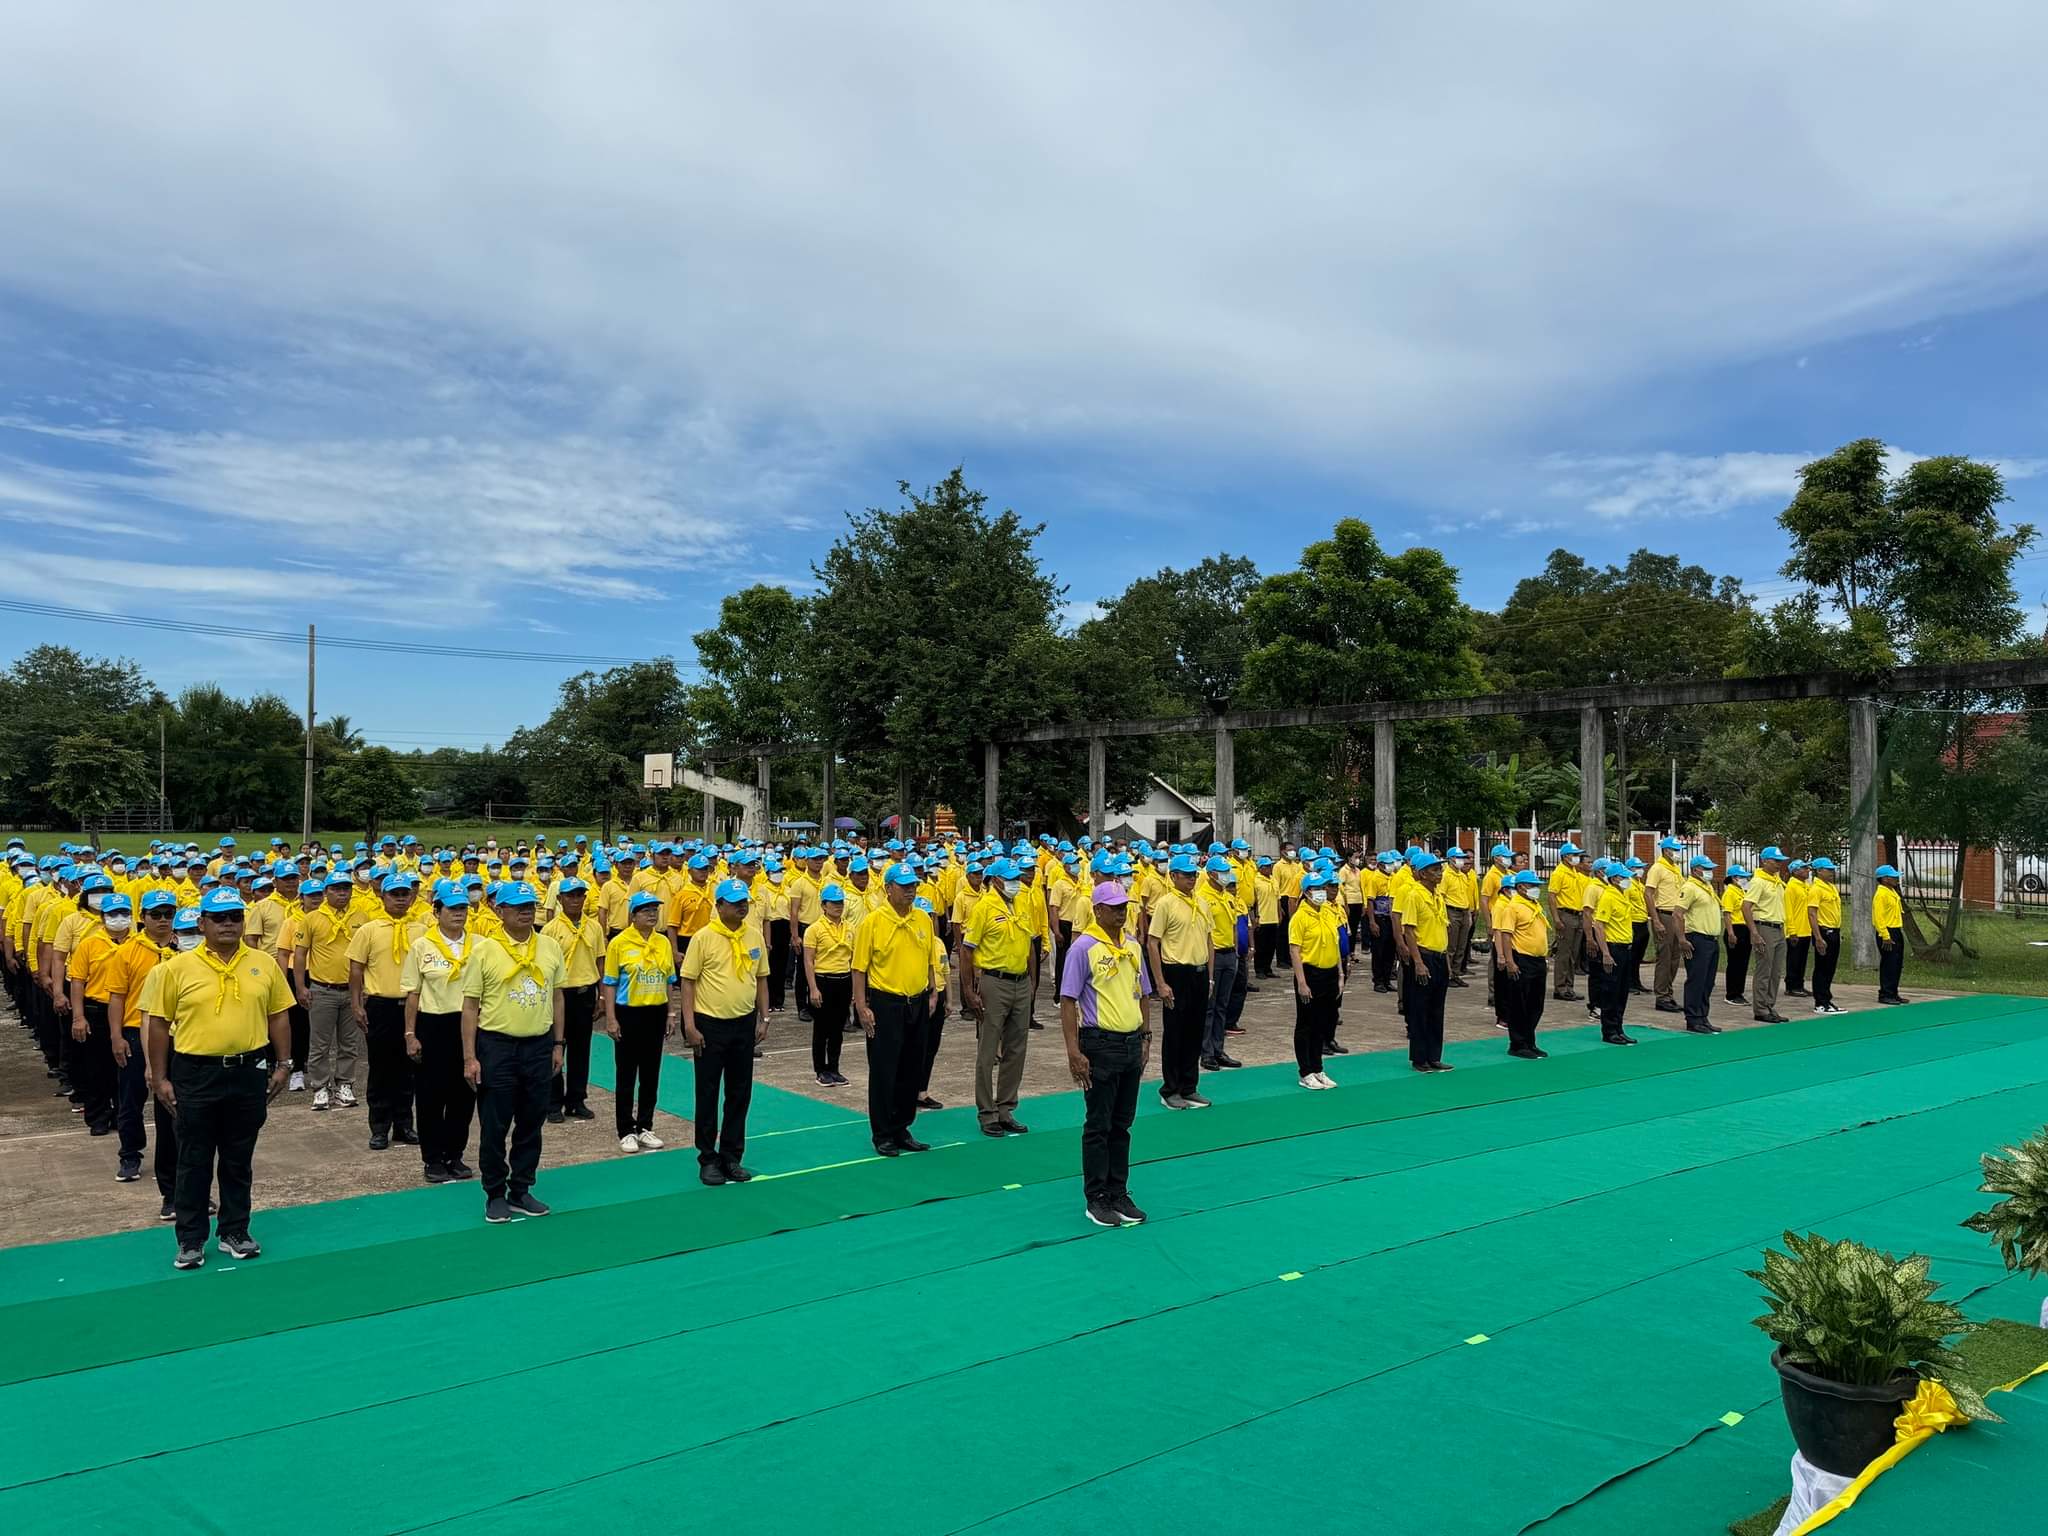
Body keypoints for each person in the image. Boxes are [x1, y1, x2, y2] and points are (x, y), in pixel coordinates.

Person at [142, 887, 292, 1270]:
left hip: (247, 1070)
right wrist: (159, 1077)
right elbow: (158, 1024)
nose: (228, 924)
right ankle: (191, 1239)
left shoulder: (263, 963)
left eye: (235, 917)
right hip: (195, 1072)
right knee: (193, 1158)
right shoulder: (175, 969)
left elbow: (278, 1015)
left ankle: (235, 1231)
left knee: (238, 1157)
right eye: (219, 917)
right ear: (202, 923)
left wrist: (284, 1063)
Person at [460, 881, 565, 1224]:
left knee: (532, 1121)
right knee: (495, 1124)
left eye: (530, 906)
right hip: (497, 1046)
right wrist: (470, 1057)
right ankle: (494, 1193)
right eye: (518, 906)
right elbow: (470, 1006)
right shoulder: (485, 950)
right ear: (499, 910)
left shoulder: (549, 946)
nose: (525, 912)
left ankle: (521, 1188)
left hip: (539, 1044)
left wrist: (558, 1044)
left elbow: (557, 996)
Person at [1060, 881, 1154, 1228]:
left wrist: (1145, 1037)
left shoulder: (1132, 945)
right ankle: (1096, 1196)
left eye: (1123, 906)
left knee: (1122, 1123)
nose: (1120, 912)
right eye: (1113, 907)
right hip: (1099, 1043)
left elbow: (1144, 993)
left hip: (1130, 1043)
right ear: (1097, 910)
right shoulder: (1083, 948)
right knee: (1099, 1124)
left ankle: (1118, 1190)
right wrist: (1074, 1050)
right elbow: (1068, 1000)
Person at [680, 878, 768, 1184]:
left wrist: (764, 1018)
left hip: (743, 1023)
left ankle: (731, 1155)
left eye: (744, 902)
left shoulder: (753, 935)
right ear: (719, 906)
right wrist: (689, 1025)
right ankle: (708, 1157)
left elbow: (761, 978)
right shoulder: (703, 938)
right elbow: (688, 982)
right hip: (710, 1025)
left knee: (739, 1092)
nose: (742, 907)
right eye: (735, 902)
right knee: (707, 1093)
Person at [852, 864, 939, 1156]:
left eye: (913, 885)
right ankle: (883, 1132)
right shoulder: (873, 922)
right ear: (888, 888)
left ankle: (902, 1126)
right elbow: (859, 968)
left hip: (917, 1000)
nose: (910, 890)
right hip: (886, 1003)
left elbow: (929, 958)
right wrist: (862, 1006)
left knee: (912, 1067)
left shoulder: (922, 918)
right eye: (904, 885)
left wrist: (933, 990)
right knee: (884, 1069)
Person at [400, 880, 477, 1184]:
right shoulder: (422, 946)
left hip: (469, 1024)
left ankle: (454, 1154)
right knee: (431, 1096)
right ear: (437, 911)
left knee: (464, 1094)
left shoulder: (480, 944)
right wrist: (410, 1034)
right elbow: (413, 993)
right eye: (452, 908)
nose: (459, 914)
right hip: (433, 1024)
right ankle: (432, 1158)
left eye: (463, 908)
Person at [100, 889, 178, 1185]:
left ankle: (173, 1158)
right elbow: (117, 997)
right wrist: (116, 1036)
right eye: (155, 914)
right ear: (143, 917)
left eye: (168, 914)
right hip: (135, 1032)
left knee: (173, 1099)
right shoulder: (127, 952)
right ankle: (130, 1154)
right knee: (132, 1097)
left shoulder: (184, 948)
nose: (162, 920)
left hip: (177, 1032)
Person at [960, 856, 1035, 1138]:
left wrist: (1032, 980)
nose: (1017, 883)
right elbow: (967, 950)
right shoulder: (984, 907)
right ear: (997, 881)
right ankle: (987, 1112)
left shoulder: (1022, 903)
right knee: (988, 1049)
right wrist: (969, 991)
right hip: (994, 981)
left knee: (1016, 1048)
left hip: (1020, 981)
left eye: (1018, 878)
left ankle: (1006, 1108)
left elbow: (1029, 943)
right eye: (1011, 879)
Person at [349, 873, 423, 1151]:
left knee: (408, 1067)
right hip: (381, 1004)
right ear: (383, 897)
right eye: (395, 894)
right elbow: (356, 969)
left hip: (412, 1005)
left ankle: (404, 1124)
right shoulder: (369, 930)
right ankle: (379, 1127)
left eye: (405, 894)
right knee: (381, 1068)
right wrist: (356, 1004)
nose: (400, 899)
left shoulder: (421, 929)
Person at [602, 891, 679, 1154]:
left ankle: (645, 1125)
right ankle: (626, 1129)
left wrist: (670, 1013)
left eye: (655, 910)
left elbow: (669, 980)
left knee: (650, 1074)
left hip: (655, 1012)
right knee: (626, 1074)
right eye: (646, 910)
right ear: (633, 915)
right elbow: (610, 983)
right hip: (628, 1013)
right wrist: (611, 1018)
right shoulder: (619, 943)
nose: (652, 914)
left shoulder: (662, 942)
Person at [1144, 852, 1212, 1110]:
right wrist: (1160, 982)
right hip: (1176, 972)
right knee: (1175, 1033)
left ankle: (1189, 1086)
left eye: (1194, 875)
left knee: (1195, 1032)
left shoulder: (1202, 902)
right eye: (1186, 875)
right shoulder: (1166, 903)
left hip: (1199, 972)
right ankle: (1170, 1089)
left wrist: (1210, 977)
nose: (1191, 879)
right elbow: (1153, 942)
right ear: (1173, 876)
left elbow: (1209, 940)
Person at [295, 872, 363, 1111]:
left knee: (349, 1043)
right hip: (322, 989)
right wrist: (301, 986)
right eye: (336, 889)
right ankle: (320, 1087)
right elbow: (300, 953)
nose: (342, 893)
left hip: (351, 990)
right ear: (326, 892)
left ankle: (345, 1084)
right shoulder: (311, 918)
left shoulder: (361, 916)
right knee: (320, 1044)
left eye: (346, 888)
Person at [543, 877, 605, 1122]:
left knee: (581, 1050)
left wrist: (601, 995)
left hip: (585, 993)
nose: (575, 900)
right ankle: (553, 1103)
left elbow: (600, 961)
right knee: (556, 1046)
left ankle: (576, 1100)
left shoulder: (594, 927)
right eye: (570, 895)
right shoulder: (550, 930)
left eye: (579, 895)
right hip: (560, 994)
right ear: (560, 899)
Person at [1287, 870, 1345, 1088]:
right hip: (1310, 973)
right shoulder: (1300, 917)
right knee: (1306, 1024)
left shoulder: (1328, 912)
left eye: (1322, 887)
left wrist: (1340, 974)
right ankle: (1306, 1071)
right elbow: (1295, 951)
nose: (1321, 892)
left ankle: (1318, 1068)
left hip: (1330, 973)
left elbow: (1335, 944)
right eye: (1315, 889)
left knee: (1323, 1022)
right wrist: (1302, 982)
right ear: (1306, 892)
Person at [1396, 851, 1452, 1071]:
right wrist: (1417, 962)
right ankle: (1420, 1058)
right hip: (1424, 955)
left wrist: (1446, 960)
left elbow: (1442, 929)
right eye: (1434, 869)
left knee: (1437, 1009)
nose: (1440, 873)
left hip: (1439, 956)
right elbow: (1409, 931)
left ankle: (1434, 1056)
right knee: (1421, 1009)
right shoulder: (1414, 895)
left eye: (1440, 869)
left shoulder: (1437, 895)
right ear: (1422, 873)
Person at [1493, 871, 1549, 1058]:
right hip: (1522, 959)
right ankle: (1517, 1044)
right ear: (1521, 887)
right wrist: (1509, 961)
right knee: (1520, 1004)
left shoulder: (1534, 905)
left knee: (1536, 1004)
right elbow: (1506, 935)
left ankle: (1529, 1041)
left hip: (1537, 960)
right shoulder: (1513, 907)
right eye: (1532, 886)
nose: (1536, 889)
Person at [804, 883, 854, 1085]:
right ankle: (820, 1070)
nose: (838, 906)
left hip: (844, 980)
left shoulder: (850, 928)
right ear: (823, 905)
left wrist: (854, 989)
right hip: (823, 980)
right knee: (821, 1028)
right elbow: (809, 960)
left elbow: (853, 958)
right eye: (833, 903)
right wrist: (813, 988)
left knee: (837, 1028)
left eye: (840, 902)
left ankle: (834, 1067)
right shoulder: (814, 929)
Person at [1586, 863, 1638, 1045]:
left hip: (1625, 948)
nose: (1628, 880)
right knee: (1611, 991)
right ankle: (1609, 1030)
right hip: (1613, 947)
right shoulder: (1608, 896)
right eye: (1624, 877)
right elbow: (1599, 925)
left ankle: (1618, 1027)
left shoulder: (1622, 895)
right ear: (1615, 879)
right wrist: (1606, 953)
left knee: (1622, 991)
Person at [1675, 855, 1724, 1035]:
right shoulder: (1689, 888)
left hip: (1711, 939)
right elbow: (1677, 914)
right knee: (1696, 980)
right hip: (1697, 938)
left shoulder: (1707, 886)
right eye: (1706, 868)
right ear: (1695, 869)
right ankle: (1693, 1018)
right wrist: (1682, 939)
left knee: (1708, 981)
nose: (1710, 872)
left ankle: (1703, 1016)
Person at [1742, 847, 1791, 1024]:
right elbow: (1746, 907)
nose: (1779, 864)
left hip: (1778, 927)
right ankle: (1761, 1009)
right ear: (1764, 861)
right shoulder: (1758, 882)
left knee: (1776, 972)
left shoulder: (1776, 881)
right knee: (1764, 970)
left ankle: (1770, 1005)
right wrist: (1754, 933)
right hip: (1764, 927)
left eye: (1780, 861)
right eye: (1775, 861)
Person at [1645, 837, 1686, 1012]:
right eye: (1674, 849)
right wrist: (1655, 919)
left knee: (1675, 957)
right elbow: (1648, 893)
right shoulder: (1657, 868)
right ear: (1665, 850)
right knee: (1665, 956)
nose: (1677, 853)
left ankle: (1668, 993)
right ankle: (1661, 996)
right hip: (1664, 915)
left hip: (1676, 916)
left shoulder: (1675, 869)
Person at [1547, 842, 1586, 1000]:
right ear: (1565, 856)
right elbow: (1551, 896)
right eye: (1574, 855)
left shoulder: (1574, 872)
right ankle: (1560, 987)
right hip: (1566, 915)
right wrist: (1556, 919)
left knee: (1573, 954)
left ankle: (1569, 986)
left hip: (1578, 915)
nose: (1577, 857)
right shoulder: (1559, 873)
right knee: (1564, 954)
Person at [1806, 857, 1844, 1014]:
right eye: (1828, 869)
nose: (1831, 872)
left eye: (1832, 869)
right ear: (1819, 871)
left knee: (1830, 967)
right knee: (1822, 967)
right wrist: (1818, 937)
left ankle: (1827, 999)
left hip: (1834, 930)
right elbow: (1812, 914)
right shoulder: (1816, 889)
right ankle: (1820, 1002)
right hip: (1824, 931)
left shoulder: (1831, 887)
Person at [1440, 847, 1476, 985]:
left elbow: (1465, 895)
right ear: (1451, 859)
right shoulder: (1446, 875)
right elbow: (1442, 896)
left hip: (1464, 911)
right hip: (1452, 911)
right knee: (1451, 946)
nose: (1462, 860)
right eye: (1458, 858)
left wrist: (1469, 913)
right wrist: (1445, 917)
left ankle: (1456, 972)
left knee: (1462, 946)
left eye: (1462, 857)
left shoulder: (1462, 875)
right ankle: (1448, 975)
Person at [1872, 863, 1907, 1004]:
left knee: (1897, 963)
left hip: (1896, 930)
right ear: (1885, 879)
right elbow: (1878, 917)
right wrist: (1885, 935)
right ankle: (1885, 994)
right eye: (1893, 877)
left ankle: (1893, 992)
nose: (1896, 879)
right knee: (1889, 963)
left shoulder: (1891, 891)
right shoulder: (1881, 894)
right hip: (1887, 932)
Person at [1782, 860, 1816, 997]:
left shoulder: (1806, 886)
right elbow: (1788, 911)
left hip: (1806, 929)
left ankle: (1799, 984)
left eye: (1807, 868)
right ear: (1795, 871)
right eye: (1804, 868)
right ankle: (1791, 986)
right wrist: (1792, 931)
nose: (1807, 870)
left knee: (1802, 960)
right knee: (1794, 960)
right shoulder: (1791, 887)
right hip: (1796, 930)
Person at [1721, 863, 1751, 1003]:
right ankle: (1731, 994)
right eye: (1742, 877)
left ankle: (1739, 992)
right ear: (1734, 878)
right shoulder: (1730, 892)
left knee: (1743, 963)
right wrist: (1731, 933)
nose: (1745, 880)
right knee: (1734, 963)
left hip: (1745, 929)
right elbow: (1727, 914)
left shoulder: (1742, 892)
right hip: (1735, 928)